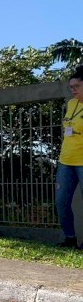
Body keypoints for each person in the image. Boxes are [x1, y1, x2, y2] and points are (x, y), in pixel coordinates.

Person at [55, 65, 83, 250]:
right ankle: (70, 238)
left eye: (77, 86)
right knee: (61, 200)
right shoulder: (71, 104)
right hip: (66, 160)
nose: (73, 89)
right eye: (71, 86)